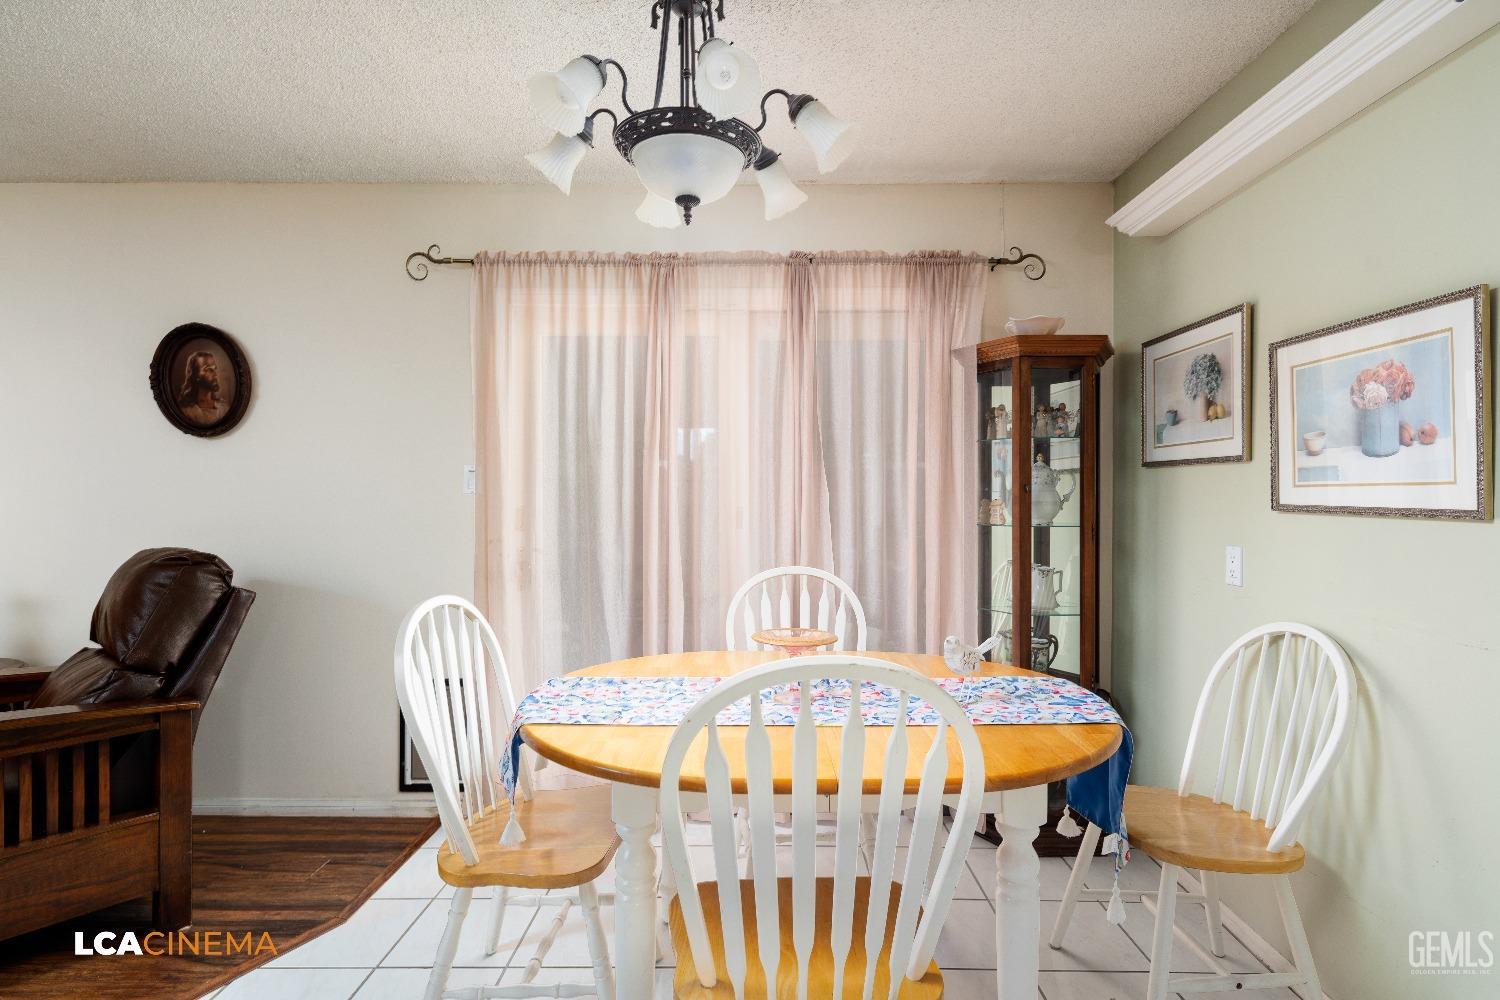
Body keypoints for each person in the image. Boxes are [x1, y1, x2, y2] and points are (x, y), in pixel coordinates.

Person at [177, 349, 224, 424]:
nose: (215, 375)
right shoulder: (186, 411)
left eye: (214, 369)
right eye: (208, 369)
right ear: (195, 375)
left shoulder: (223, 407)